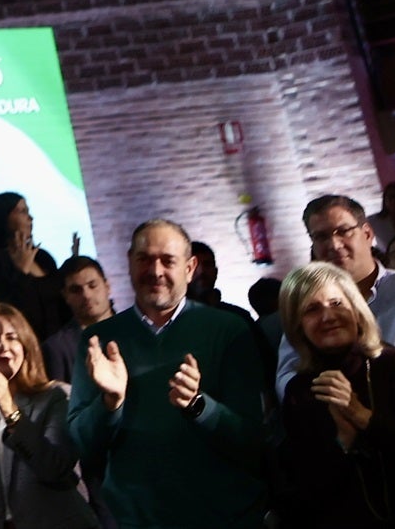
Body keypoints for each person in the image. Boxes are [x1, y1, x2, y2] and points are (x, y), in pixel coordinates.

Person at [68, 219, 269, 529]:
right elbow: (82, 443)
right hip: (137, 519)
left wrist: (200, 406)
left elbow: (253, 440)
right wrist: (110, 402)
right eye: (144, 259)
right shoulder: (98, 341)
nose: (155, 270)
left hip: (226, 517)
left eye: (167, 260)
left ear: (190, 268)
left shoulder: (229, 330)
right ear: (129, 263)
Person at [276, 260, 395, 526]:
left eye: (337, 303)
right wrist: (345, 442)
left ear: (356, 309)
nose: (328, 317)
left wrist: (361, 416)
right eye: (311, 309)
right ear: (297, 326)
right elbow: (307, 488)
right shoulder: (300, 391)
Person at [0, 303, 96, 528]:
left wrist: (8, 407)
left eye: (12, 337)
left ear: (25, 346)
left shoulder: (57, 397)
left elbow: (55, 468)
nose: (2, 345)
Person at [276, 194, 395, 396]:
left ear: (368, 233)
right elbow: (286, 379)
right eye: (321, 237)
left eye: (343, 231)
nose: (334, 244)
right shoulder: (308, 305)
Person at [0, 192, 71, 342]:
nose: (30, 218)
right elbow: (6, 310)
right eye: (22, 212)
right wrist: (22, 272)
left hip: (62, 340)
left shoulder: (42, 257)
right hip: (29, 344)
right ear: (2, 218)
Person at [42, 255, 114, 385]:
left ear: (107, 287)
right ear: (66, 296)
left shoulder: (136, 329)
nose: (86, 295)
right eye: (76, 290)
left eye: (92, 285)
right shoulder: (57, 349)